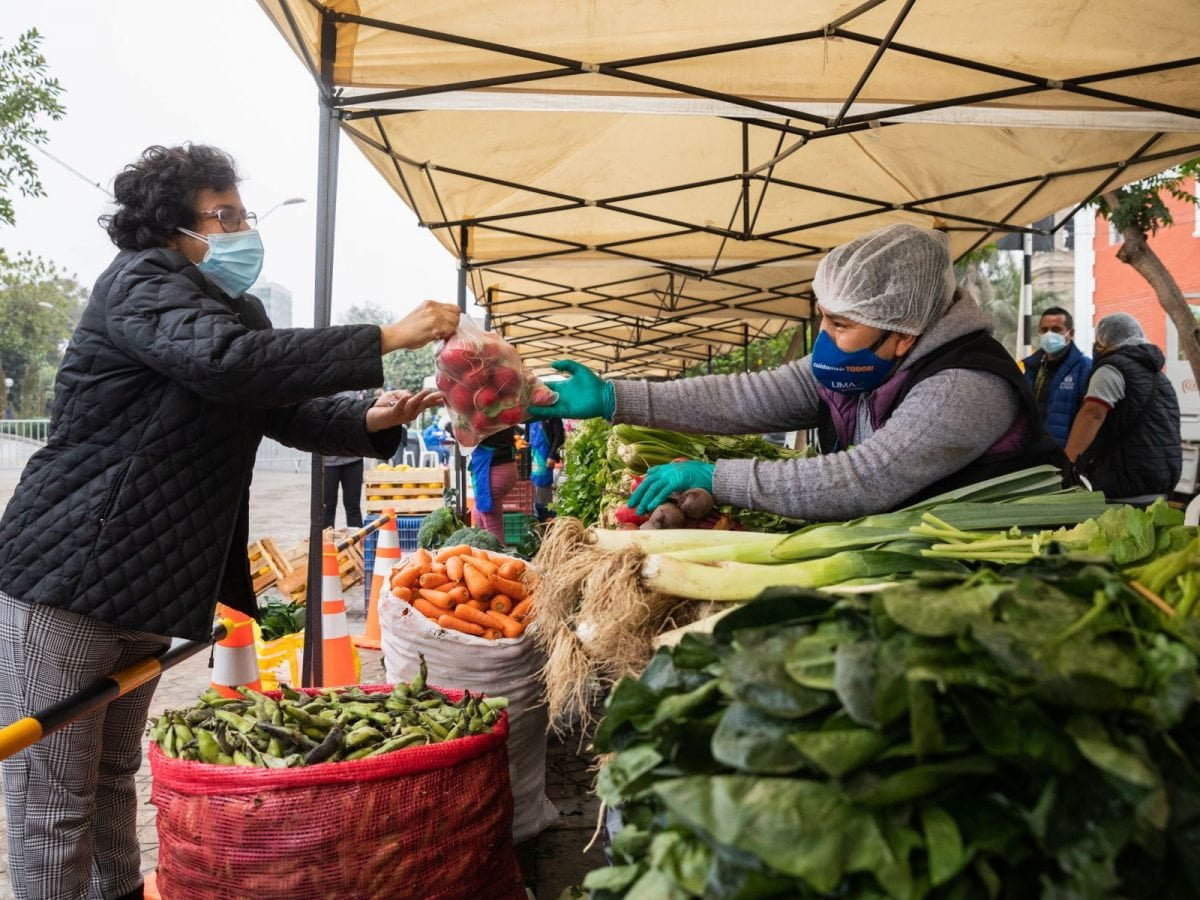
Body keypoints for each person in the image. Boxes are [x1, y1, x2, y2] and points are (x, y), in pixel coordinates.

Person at [0, 143, 460, 899]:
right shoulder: (141, 285)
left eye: (243, 213)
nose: (246, 228)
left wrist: (372, 415)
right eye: (228, 215)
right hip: (66, 574)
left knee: (113, 776)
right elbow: (228, 363)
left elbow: (282, 404)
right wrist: (382, 339)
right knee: (53, 802)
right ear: (172, 226)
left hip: (145, 582)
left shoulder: (228, 313)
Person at [529, 223, 1069, 522]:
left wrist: (717, 479)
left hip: (1008, 571)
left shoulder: (964, 386)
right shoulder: (868, 360)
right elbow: (745, 398)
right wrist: (613, 398)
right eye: (823, 318)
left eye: (840, 324)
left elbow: (865, 479)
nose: (825, 339)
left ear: (903, 331)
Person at [1065, 312, 1182, 504]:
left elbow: (1093, 414)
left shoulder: (1111, 370)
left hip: (1122, 485)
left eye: (1098, 341)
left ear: (1107, 341)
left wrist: (1067, 462)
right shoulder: (1159, 377)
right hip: (1159, 483)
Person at [1021, 306, 1092, 446]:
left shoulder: (1085, 367)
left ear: (1070, 334)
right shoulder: (1032, 367)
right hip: (1033, 451)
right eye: (1044, 330)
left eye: (1056, 330)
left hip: (1064, 453)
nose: (1049, 334)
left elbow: (1089, 417)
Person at [323, 390, 366, 529]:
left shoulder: (351, 394)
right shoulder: (322, 394)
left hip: (353, 460)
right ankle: (324, 545)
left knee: (353, 506)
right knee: (327, 507)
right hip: (328, 463)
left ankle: (357, 546)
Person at [469, 426, 519, 543]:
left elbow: (463, 435)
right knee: (478, 516)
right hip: (504, 466)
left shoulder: (480, 415)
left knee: (493, 533)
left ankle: (501, 560)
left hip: (492, 470)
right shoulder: (502, 411)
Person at [529, 417, 565, 521]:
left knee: (543, 488)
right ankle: (537, 519)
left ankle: (547, 521)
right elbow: (527, 437)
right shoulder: (529, 416)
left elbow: (559, 436)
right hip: (533, 456)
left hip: (545, 456)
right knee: (532, 490)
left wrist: (552, 455)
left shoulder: (552, 416)